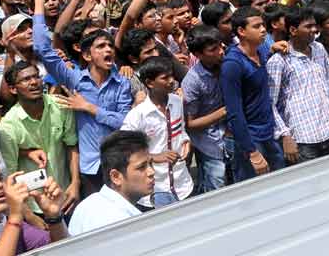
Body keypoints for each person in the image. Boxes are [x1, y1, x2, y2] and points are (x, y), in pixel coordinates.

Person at [32, 0, 133, 198]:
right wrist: (39, 3)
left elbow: (124, 122)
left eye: (110, 46)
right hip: (89, 168)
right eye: (101, 47)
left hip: (119, 163)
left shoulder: (122, 83)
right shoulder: (74, 79)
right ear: (87, 56)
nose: (108, 50)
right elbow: (42, 48)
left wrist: (89, 108)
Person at [0, 61, 80, 220]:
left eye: (36, 77)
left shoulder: (60, 105)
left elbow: (72, 146)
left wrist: (75, 183)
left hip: (66, 196)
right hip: (35, 205)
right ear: (13, 89)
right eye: (26, 79)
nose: (34, 82)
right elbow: (10, 175)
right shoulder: (8, 126)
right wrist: (28, 214)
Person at [267, 9, 329, 163]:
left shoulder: (318, 49)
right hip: (302, 139)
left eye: (315, 26)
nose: (314, 30)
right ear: (293, 30)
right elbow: (270, 103)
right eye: (308, 27)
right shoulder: (279, 61)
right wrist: (285, 135)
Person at [220, 6, 287, 181]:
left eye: (263, 25)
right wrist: (252, 151)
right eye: (256, 26)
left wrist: (273, 48)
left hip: (269, 133)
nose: (263, 29)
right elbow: (234, 112)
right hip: (251, 140)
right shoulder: (233, 64)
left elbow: (267, 53)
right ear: (241, 31)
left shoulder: (261, 52)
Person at [121, 56, 193, 209]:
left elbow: (180, 130)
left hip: (182, 185)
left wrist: (185, 140)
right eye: (165, 78)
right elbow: (124, 150)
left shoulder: (177, 101)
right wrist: (154, 157)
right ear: (149, 83)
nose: (172, 80)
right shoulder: (138, 115)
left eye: (171, 75)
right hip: (154, 190)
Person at [67, 130, 155, 236]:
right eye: (141, 167)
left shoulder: (86, 205)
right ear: (116, 176)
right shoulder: (122, 223)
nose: (151, 172)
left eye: (151, 164)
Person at [181, 25, 228, 193]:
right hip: (209, 143)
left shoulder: (227, 64)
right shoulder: (192, 81)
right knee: (216, 186)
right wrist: (224, 112)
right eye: (213, 49)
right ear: (198, 55)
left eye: (221, 46)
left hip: (229, 136)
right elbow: (190, 124)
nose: (220, 51)